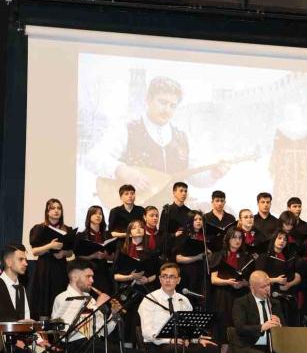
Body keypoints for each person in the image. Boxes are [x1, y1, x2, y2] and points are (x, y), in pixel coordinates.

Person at [84, 76, 229, 209]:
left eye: (172, 106)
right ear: (148, 99)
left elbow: (193, 176)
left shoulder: (182, 138)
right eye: (163, 102)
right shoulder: (128, 130)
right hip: (138, 214)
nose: (167, 110)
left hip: (174, 214)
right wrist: (122, 170)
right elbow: (93, 157)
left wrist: (213, 174)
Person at [137, 262, 221, 353]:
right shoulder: (150, 299)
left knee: (212, 349)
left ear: (178, 280)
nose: (168, 280)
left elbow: (190, 328)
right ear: (160, 279)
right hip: (156, 345)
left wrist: (197, 339)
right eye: (164, 276)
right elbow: (147, 333)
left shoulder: (183, 300)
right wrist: (170, 340)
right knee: (179, 350)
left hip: (180, 344)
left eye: (172, 277)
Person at [51, 261, 123, 353]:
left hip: (93, 344)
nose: (92, 280)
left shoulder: (90, 299)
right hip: (73, 346)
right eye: (88, 276)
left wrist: (113, 316)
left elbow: (102, 332)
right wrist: (97, 306)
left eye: (92, 277)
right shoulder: (63, 298)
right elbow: (66, 331)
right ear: (74, 276)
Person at [230, 270, 287, 353]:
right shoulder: (241, 303)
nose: (267, 289)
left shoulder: (275, 303)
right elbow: (240, 328)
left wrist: (280, 324)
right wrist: (262, 327)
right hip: (248, 344)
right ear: (252, 288)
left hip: (271, 345)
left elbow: (284, 329)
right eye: (263, 287)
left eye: (268, 285)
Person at [29, 198, 75, 318]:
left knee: (60, 299)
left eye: (59, 208)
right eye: (53, 208)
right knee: (44, 303)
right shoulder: (39, 228)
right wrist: (50, 246)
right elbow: (34, 251)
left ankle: (58, 328)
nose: (56, 211)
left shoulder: (67, 229)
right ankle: (43, 329)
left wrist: (63, 253)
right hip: (44, 269)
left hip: (60, 268)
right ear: (47, 211)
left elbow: (71, 252)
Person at [209, 227, 252, 353]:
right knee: (223, 326)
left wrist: (243, 283)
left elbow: (251, 281)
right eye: (234, 237)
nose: (237, 240)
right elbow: (213, 279)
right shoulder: (219, 255)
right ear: (228, 239)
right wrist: (228, 282)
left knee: (238, 324)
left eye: (240, 238)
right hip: (223, 295)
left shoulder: (246, 257)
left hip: (240, 295)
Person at [0, 244, 41, 353]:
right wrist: (12, 341)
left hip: (21, 344)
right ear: (9, 262)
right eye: (21, 259)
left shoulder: (21, 289)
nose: (26, 263)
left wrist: (39, 340)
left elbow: (26, 319)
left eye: (26, 260)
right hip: (3, 346)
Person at [256, 230, 302, 325]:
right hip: (271, 295)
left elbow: (298, 276)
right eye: (279, 238)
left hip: (288, 295)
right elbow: (257, 278)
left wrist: (289, 284)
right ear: (274, 239)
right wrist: (276, 280)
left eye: (285, 240)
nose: (282, 241)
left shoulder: (290, 257)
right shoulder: (264, 257)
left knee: (290, 323)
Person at [74, 205, 115, 296]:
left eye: (100, 214)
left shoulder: (108, 235)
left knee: (106, 297)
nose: (98, 216)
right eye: (94, 214)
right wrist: (93, 256)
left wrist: (106, 256)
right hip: (87, 272)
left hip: (104, 272)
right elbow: (77, 257)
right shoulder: (81, 236)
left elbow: (113, 256)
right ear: (89, 216)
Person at [172, 210, 209, 302]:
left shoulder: (205, 236)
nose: (198, 221)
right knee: (188, 300)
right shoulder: (183, 235)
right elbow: (178, 258)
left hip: (202, 272)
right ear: (190, 221)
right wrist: (197, 257)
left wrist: (209, 253)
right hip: (187, 273)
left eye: (200, 219)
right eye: (195, 219)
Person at [158, 182, 192, 256]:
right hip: (170, 248)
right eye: (181, 191)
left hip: (185, 248)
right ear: (174, 193)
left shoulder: (189, 212)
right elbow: (162, 232)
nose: (184, 193)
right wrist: (174, 235)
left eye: (185, 191)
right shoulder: (167, 210)